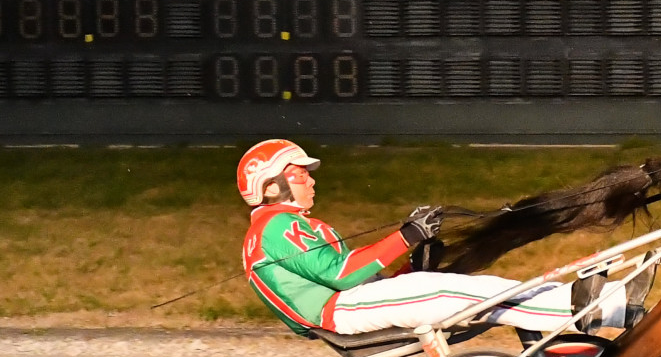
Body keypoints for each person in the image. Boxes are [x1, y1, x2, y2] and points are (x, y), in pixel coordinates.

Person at [237, 138, 629, 338]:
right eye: (300, 174)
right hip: (338, 311)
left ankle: (603, 304)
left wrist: (412, 262)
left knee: (471, 291)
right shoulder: (273, 228)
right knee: (461, 295)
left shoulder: (281, 227)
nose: (311, 179)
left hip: (346, 305)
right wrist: (407, 235)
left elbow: (356, 277)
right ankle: (595, 307)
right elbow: (342, 275)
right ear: (271, 187)